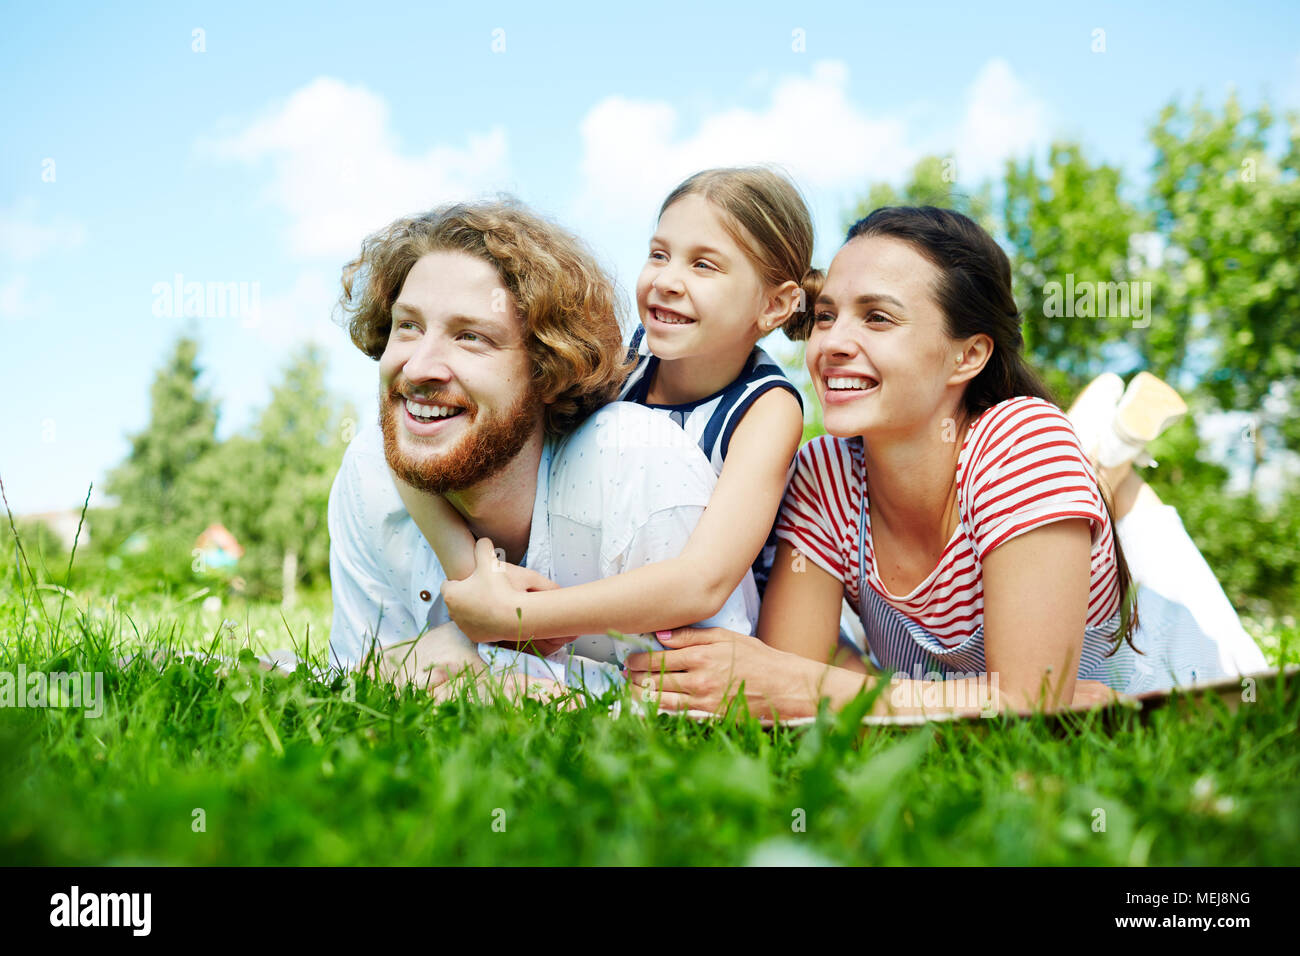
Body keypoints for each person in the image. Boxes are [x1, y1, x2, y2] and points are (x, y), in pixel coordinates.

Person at [626, 206, 1267, 718]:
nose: (833, 344)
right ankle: (1107, 460)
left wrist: (816, 687)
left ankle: (1110, 462)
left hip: (1191, 695)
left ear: (968, 356)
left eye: (878, 318)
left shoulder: (1022, 441)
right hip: (972, 702)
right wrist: (823, 685)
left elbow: (1027, 705)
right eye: (825, 317)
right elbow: (792, 675)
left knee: (1148, 537)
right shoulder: (822, 474)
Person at [326, 199, 753, 697]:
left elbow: (711, 705)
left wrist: (479, 667)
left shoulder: (639, 466)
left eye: (470, 337)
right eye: (409, 326)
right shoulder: (370, 472)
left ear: (547, 369)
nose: (420, 367)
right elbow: (360, 688)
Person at [392, 168, 812, 651]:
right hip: (590, 611)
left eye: (704, 266)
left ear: (776, 305)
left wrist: (522, 616)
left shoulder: (767, 408)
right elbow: (408, 447)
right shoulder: (621, 360)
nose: (667, 280)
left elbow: (704, 582)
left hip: (701, 633)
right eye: (659, 255)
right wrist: (472, 575)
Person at [1068, 371, 1268, 680]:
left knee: (1116, 490)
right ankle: (1108, 453)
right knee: (1125, 490)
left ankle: (1105, 454)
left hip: (1197, 673)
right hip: (1222, 668)